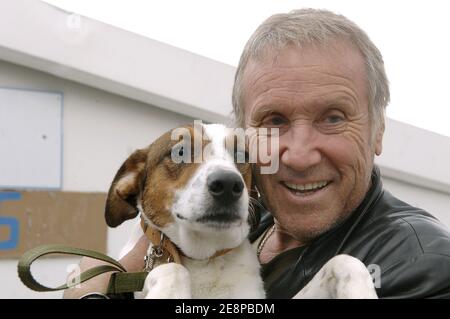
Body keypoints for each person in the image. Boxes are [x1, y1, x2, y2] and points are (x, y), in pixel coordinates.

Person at [65, 8, 450, 299]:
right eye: (275, 120)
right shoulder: (249, 208)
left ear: (378, 130)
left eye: (333, 117)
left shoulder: (423, 266)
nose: (299, 156)